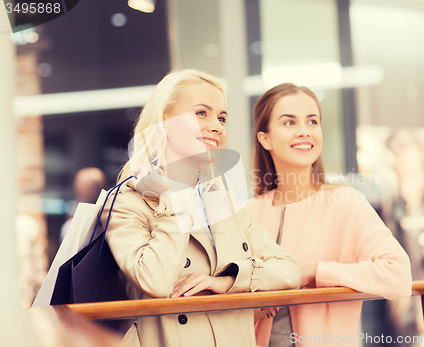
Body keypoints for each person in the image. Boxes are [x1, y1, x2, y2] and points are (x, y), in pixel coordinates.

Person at [100, 69, 301, 347]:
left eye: (221, 118)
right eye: (201, 113)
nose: (217, 126)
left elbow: (289, 270)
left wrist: (228, 280)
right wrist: (176, 198)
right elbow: (155, 280)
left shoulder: (221, 200)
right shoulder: (127, 202)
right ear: (164, 121)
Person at [246, 83, 412, 347]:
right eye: (289, 122)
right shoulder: (250, 213)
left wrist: (316, 272)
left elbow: (398, 275)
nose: (304, 131)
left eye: (312, 121)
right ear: (265, 138)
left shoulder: (344, 202)